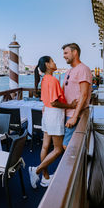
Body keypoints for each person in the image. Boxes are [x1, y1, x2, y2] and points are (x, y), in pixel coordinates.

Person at [28, 56, 77, 188]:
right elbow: (54, 102)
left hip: (47, 114)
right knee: (58, 149)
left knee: (45, 146)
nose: (55, 63)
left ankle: (45, 177)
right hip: (54, 115)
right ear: (47, 65)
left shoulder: (44, 80)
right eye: (53, 61)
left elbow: (48, 100)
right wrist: (71, 106)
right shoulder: (53, 80)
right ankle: (36, 170)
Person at [62, 43, 92, 149]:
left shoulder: (83, 69)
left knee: (68, 146)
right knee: (65, 144)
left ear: (75, 53)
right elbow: (62, 91)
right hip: (66, 113)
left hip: (75, 115)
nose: (63, 56)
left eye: (66, 53)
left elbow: (84, 94)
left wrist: (75, 116)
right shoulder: (69, 71)